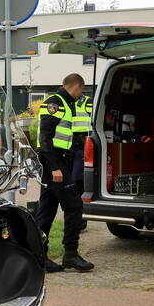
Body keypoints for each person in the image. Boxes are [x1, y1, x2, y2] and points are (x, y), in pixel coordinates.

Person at [35, 73, 94, 273]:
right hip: (54, 161)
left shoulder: (66, 103)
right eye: (81, 90)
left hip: (60, 160)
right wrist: (55, 168)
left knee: (47, 209)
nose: (81, 94)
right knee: (75, 206)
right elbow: (45, 138)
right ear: (77, 86)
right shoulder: (56, 103)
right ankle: (70, 254)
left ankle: (39, 257)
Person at [71, 92, 93, 232]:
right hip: (68, 147)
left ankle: (80, 220)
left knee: (77, 181)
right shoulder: (65, 102)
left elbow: (95, 120)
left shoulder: (87, 102)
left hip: (81, 145)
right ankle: (77, 220)